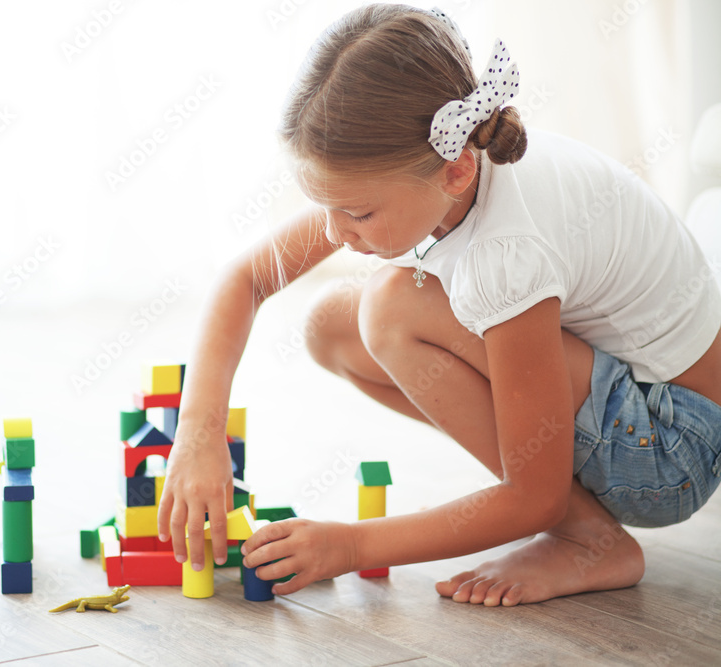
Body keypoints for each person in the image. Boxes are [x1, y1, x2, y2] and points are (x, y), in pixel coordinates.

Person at [156, 3, 721, 606]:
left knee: (391, 308)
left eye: (357, 213)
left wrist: (351, 546)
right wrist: (197, 432)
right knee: (331, 326)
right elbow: (245, 278)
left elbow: (537, 499)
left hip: (668, 447)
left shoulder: (507, 251)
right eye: (326, 206)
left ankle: (588, 540)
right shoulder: (430, 168)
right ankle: (570, 522)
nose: (335, 233)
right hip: (627, 402)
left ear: (454, 173)